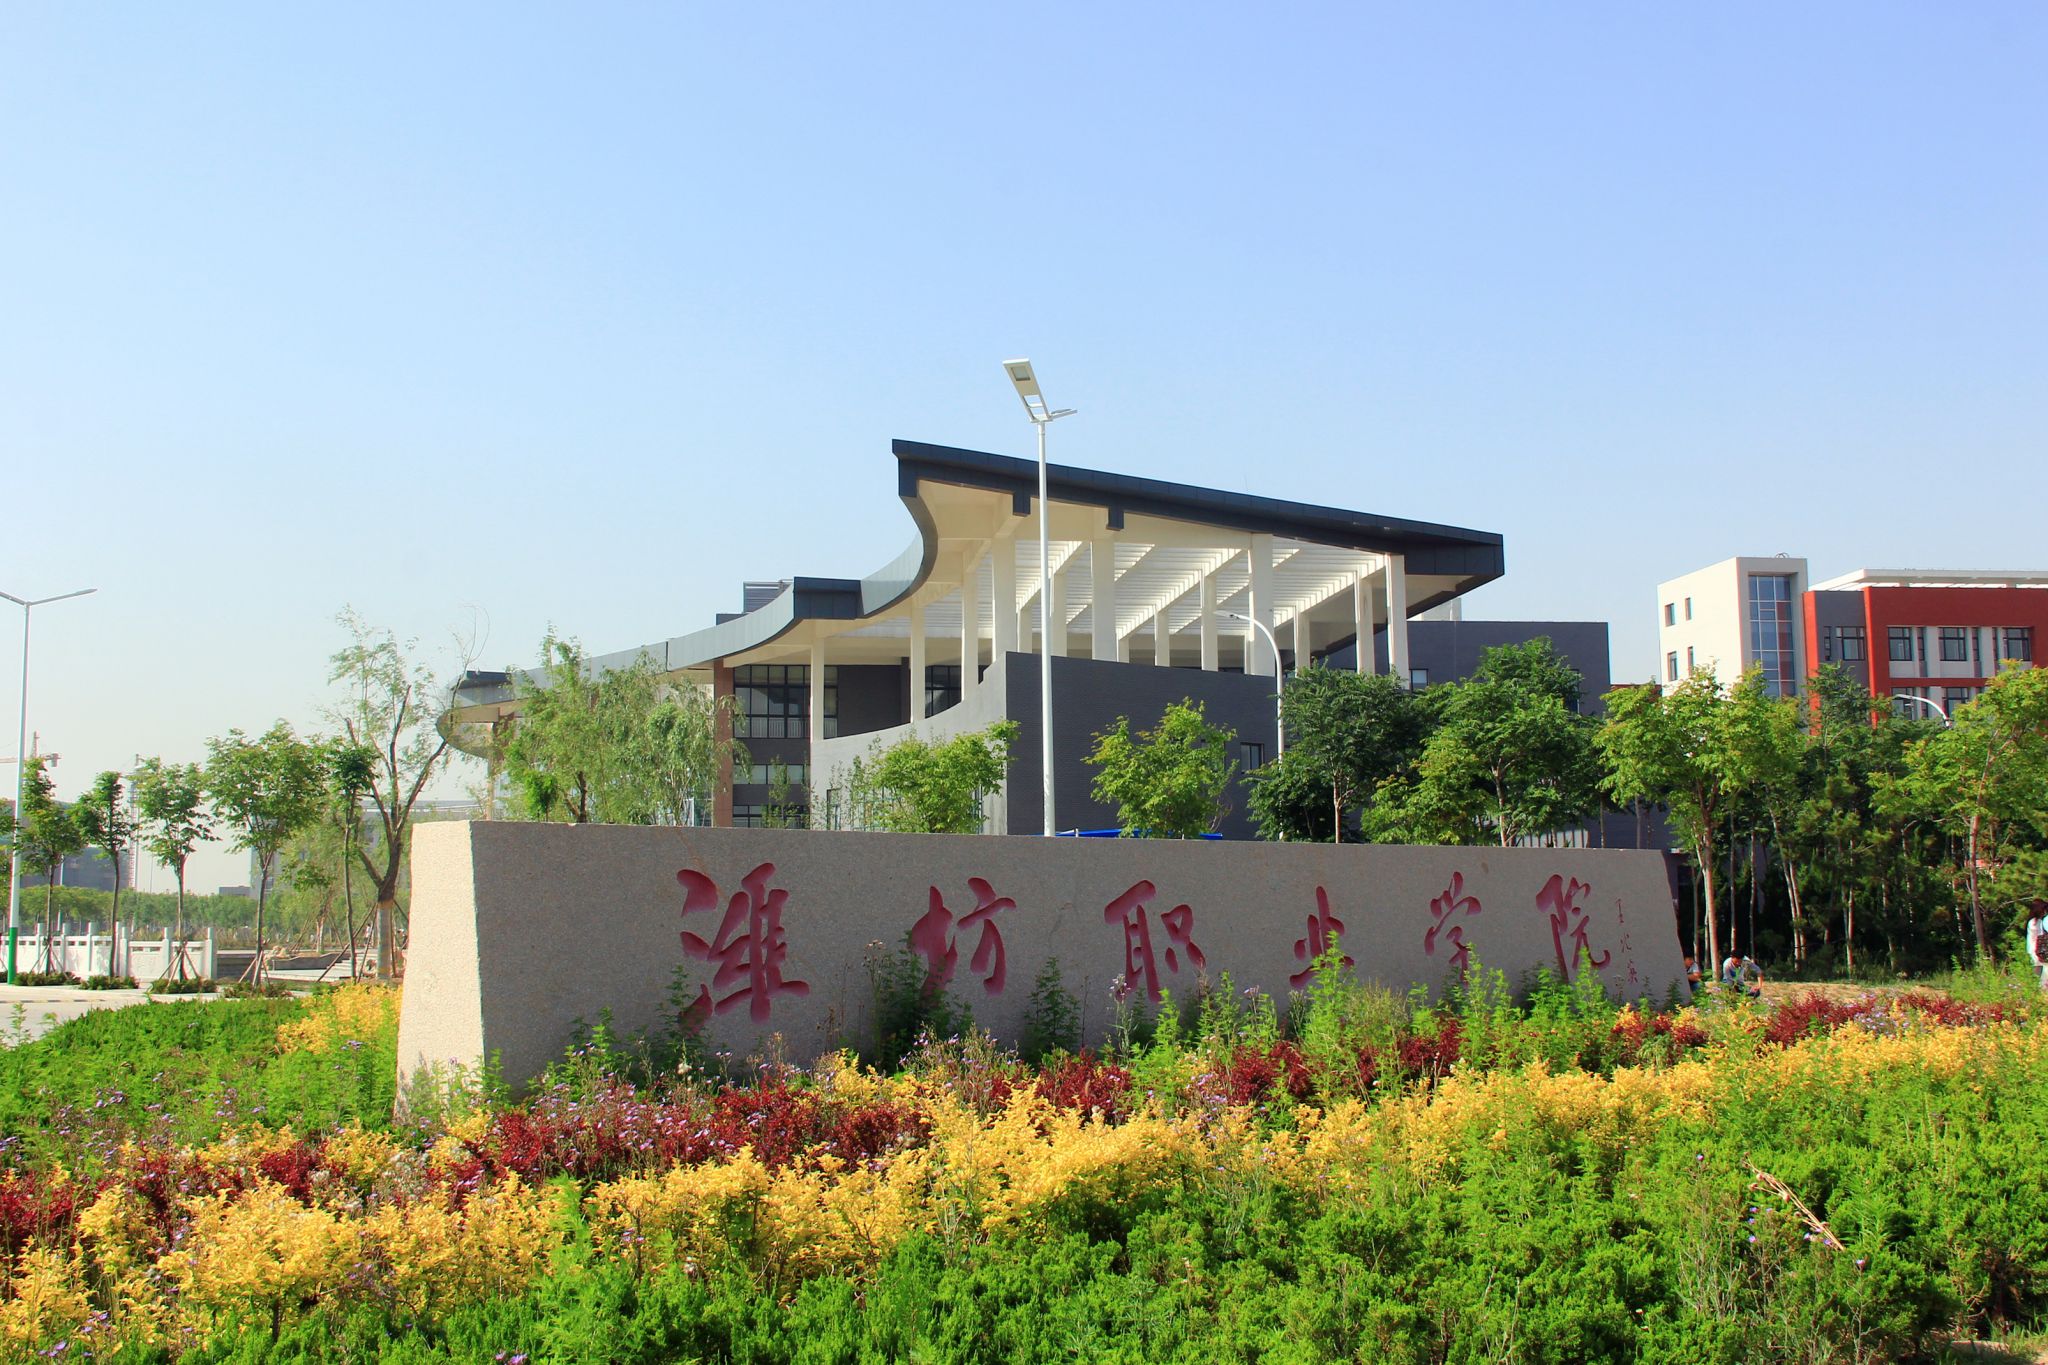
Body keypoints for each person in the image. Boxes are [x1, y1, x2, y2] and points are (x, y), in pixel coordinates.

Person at [2027, 900, 2048, 996]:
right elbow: (2038, 937)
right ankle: (2040, 994)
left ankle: (2039, 993)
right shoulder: (2036, 922)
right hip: (2038, 951)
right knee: (2040, 975)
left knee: (2039, 975)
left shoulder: (2035, 922)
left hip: (2036, 951)